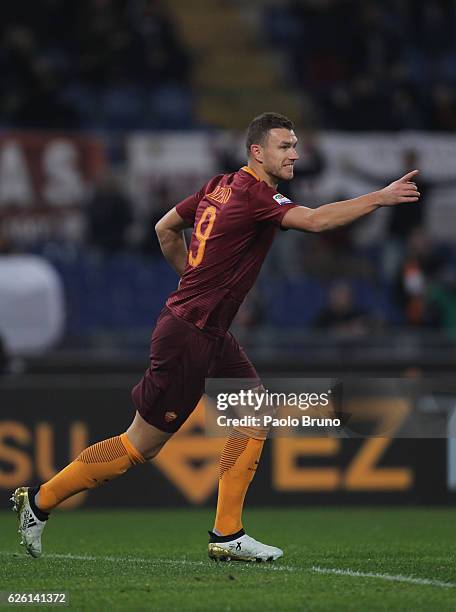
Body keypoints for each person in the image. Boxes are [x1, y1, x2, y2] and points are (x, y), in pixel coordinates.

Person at [12, 112, 420, 562]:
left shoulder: (216, 187)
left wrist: (192, 277)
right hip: (190, 333)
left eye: (295, 145)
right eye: (285, 146)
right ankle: (38, 502)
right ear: (257, 152)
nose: (295, 154)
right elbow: (320, 221)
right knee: (139, 446)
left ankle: (227, 534)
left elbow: (165, 228)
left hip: (206, 329)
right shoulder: (256, 197)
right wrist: (379, 197)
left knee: (254, 408)